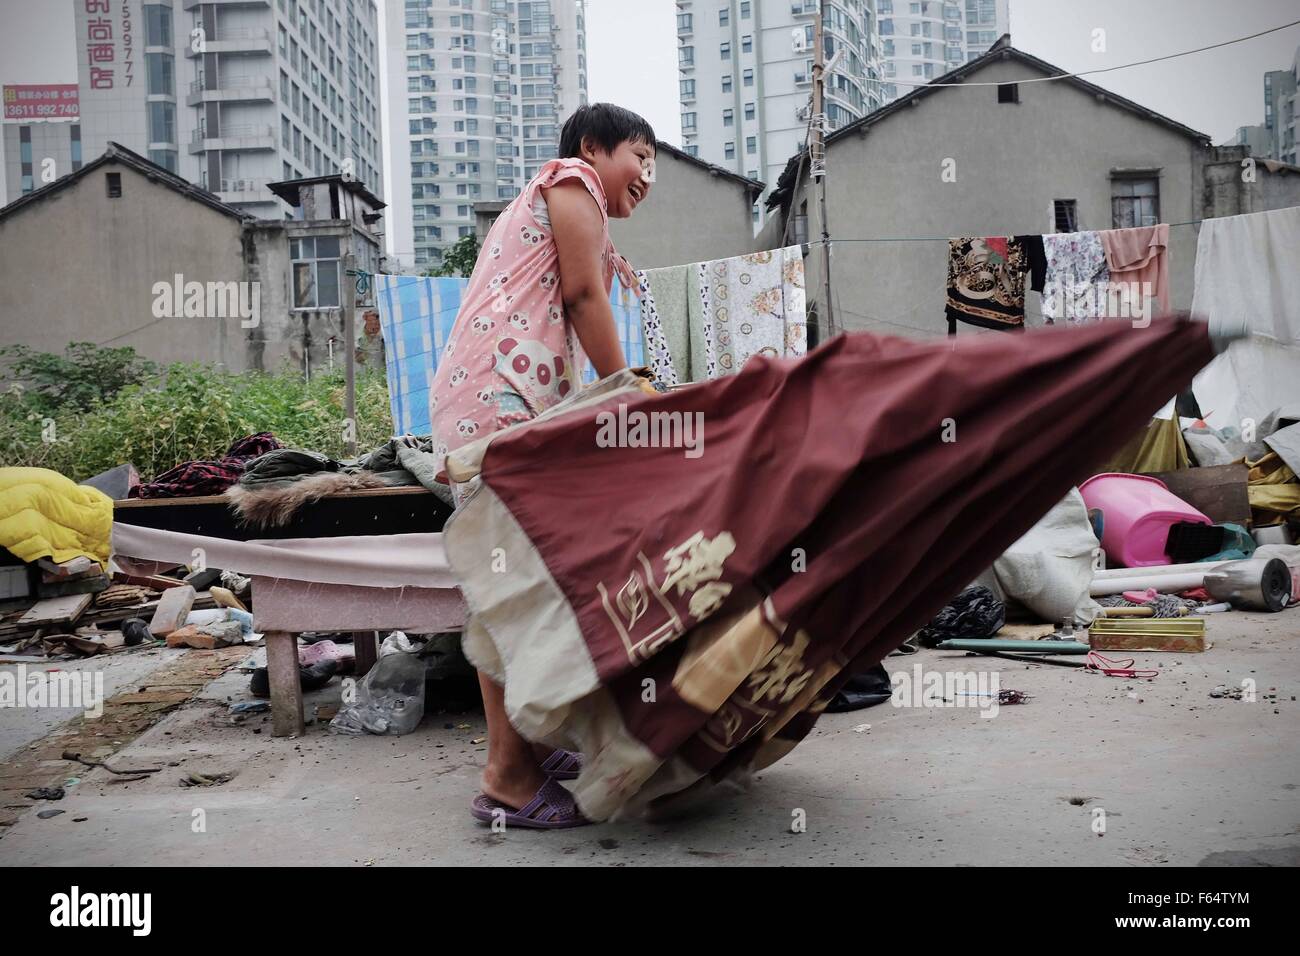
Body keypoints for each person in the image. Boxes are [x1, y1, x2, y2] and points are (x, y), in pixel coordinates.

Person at [425, 103, 658, 828]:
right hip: (497, 400)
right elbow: (585, 297)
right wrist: (630, 394)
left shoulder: (567, 202)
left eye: (655, 166)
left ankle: (525, 747)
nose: (647, 175)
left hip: (499, 399)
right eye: (640, 156)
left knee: (524, 577)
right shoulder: (571, 181)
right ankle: (507, 777)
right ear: (593, 147)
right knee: (511, 585)